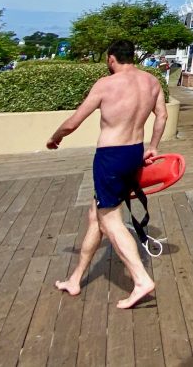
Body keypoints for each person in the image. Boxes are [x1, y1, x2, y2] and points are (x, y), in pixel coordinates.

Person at [47, 40, 168, 309]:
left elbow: (73, 122)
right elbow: (162, 116)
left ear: (112, 58)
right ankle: (75, 279)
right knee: (97, 216)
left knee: (110, 219)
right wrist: (154, 147)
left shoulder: (106, 84)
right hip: (134, 152)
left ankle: (140, 280)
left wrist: (54, 138)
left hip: (111, 156)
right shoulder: (152, 82)